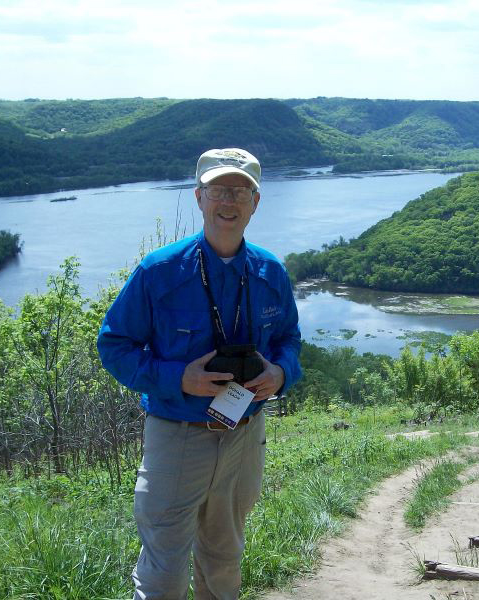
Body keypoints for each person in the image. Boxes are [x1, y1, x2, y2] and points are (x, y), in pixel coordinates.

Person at [97, 147, 302, 600]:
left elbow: (290, 338)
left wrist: (280, 372)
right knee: (164, 573)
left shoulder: (270, 271)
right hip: (177, 435)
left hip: (245, 434)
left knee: (224, 561)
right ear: (199, 198)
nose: (229, 202)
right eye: (219, 191)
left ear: (255, 202)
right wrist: (177, 378)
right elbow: (113, 345)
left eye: (240, 191)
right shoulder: (159, 272)